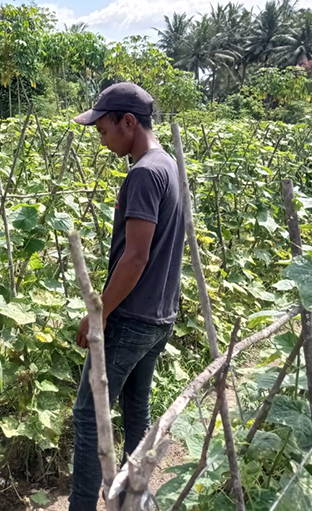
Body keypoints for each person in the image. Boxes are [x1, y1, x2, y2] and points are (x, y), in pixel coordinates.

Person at [68, 82, 185, 510]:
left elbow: (135, 257)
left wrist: (99, 313)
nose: (101, 140)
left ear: (129, 123)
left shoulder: (143, 174)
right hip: (160, 314)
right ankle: (138, 500)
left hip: (132, 317)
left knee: (88, 415)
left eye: (103, 130)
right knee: (137, 409)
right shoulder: (168, 164)